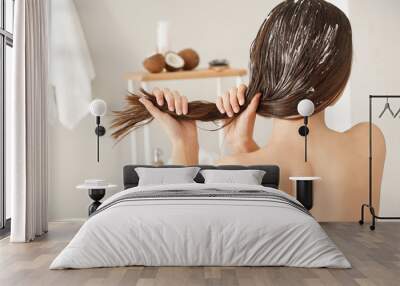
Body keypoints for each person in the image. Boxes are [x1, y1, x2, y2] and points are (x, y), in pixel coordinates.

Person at [114, 0, 386, 221]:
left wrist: (185, 145)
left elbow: (170, 232)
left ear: (263, 73)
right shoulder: (370, 141)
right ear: (338, 85)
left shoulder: (230, 169)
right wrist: (243, 147)